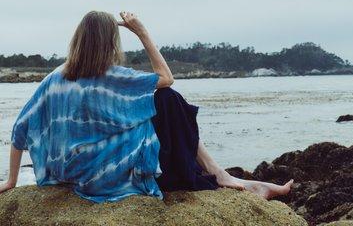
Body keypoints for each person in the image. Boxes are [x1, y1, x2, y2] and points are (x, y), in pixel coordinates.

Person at [0, 11, 293, 202]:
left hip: (77, 172)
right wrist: (142, 32)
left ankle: (221, 174)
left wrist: (11, 180)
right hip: (110, 174)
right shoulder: (113, 76)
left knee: (158, 103)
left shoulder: (55, 78)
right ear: (110, 44)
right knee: (168, 99)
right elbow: (167, 78)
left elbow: (20, 129)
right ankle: (219, 174)